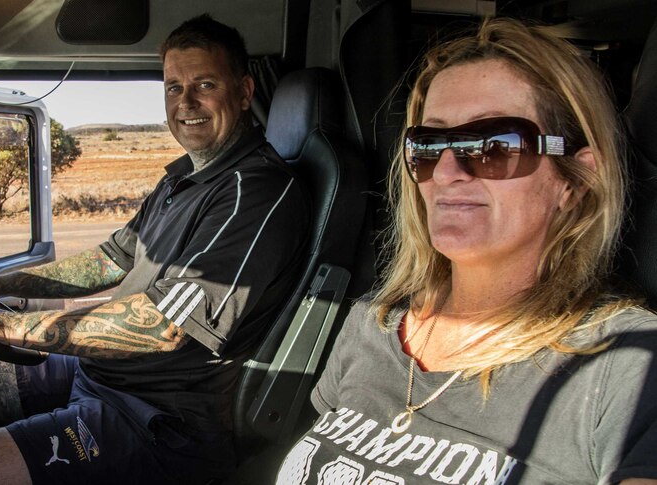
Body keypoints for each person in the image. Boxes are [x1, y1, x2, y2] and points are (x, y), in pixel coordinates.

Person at [276, 17, 657, 484]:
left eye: (494, 145)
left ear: (575, 182)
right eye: (430, 145)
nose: (449, 170)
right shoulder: (372, 321)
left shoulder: (627, 364)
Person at [0, 14, 309, 485]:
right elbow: (110, 259)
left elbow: (167, 327)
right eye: (174, 87)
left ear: (245, 92)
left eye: (205, 84)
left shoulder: (253, 193)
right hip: (107, 372)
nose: (186, 102)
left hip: (160, 417)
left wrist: (8, 325)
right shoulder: (182, 180)